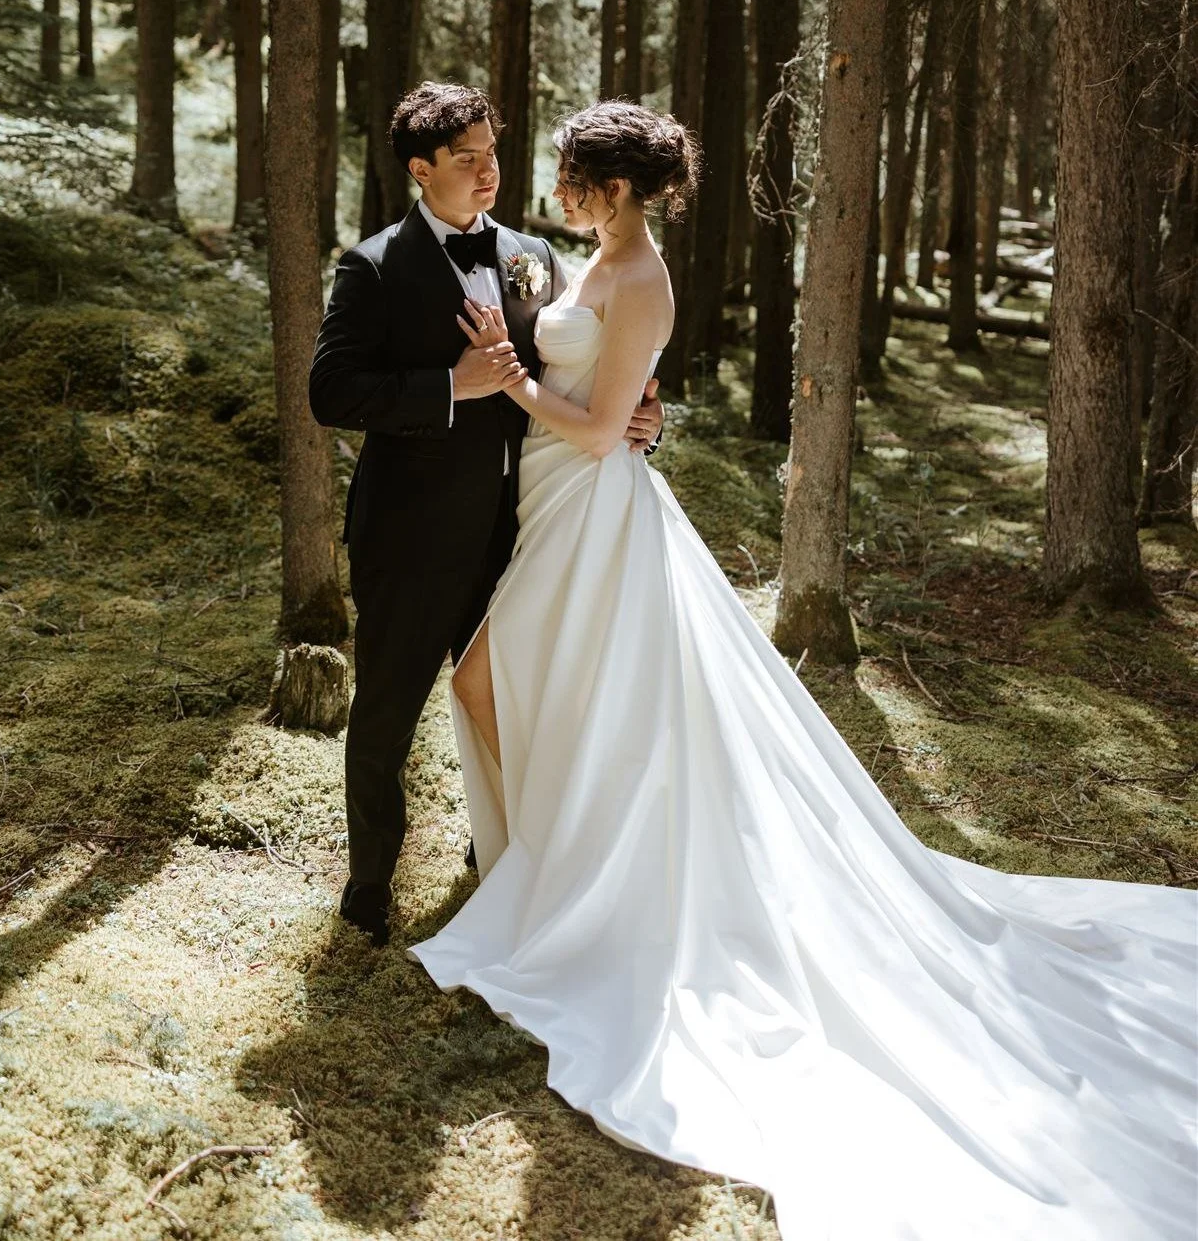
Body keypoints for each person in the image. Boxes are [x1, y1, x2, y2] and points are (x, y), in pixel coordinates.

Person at [409, 99, 1198, 1241]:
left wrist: (516, 381)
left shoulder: (647, 282)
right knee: (521, 686)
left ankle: (565, 882)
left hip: (592, 511)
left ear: (618, 190)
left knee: (505, 682)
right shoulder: (585, 263)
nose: (561, 190)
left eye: (577, 178)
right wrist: (593, 397)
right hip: (548, 503)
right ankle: (546, 864)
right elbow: (614, 405)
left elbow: (592, 428)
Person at [308, 83, 664, 948]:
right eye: (465, 158)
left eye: (493, 153)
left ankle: (508, 858)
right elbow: (330, 392)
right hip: (406, 532)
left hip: (519, 528)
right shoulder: (373, 266)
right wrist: (447, 387)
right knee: (387, 713)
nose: (487, 171)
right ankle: (367, 891)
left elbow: (585, 368)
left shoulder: (534, 258)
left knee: (508, 700)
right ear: (421, 169)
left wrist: (646, 420)